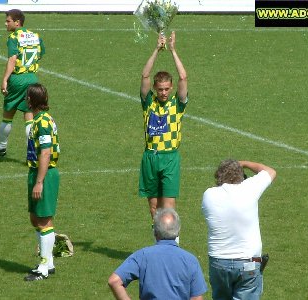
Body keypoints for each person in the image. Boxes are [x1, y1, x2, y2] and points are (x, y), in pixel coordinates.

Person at [201, 160, 277, 300]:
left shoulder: (209, 195)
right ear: (240, 176)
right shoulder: (249, 189)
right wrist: (244, 163)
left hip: (219, 262)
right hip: (248, 262)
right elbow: (270, 171)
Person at [139, 31, 188, 221]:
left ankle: (173, 245)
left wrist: (173, 50)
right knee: (153, 208)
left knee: (168, 210)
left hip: (169, 159)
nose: (164, 93)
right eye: (160, 89)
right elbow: (145, 75)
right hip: (150, 157)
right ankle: (158, 245)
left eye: (167, 89)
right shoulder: (148, 103)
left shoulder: (177, 103)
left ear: (171, 87)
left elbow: (183, 78)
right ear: (155, 89)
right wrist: (157, 50)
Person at [108, 208, 207, 300]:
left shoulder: (142, 256)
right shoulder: (190, 260)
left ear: (155, 232)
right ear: (178, 232)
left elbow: (114, 281)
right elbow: (196, 297)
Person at [0, 9, 45, 157]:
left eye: (8, 21)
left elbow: (12, 59)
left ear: (17, 22)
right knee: (29, 117)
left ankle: (1, 147)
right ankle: (31, 154)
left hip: (17, 79)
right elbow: (41, 53)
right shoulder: (35, 36)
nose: (5, 23)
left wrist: (5, 80)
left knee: (7, 115)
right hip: (32, 79)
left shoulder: (14, 37)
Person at [24, 83, 60, 281]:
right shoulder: (38, 119)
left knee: (44, 220)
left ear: (32, 100)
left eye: (27, 97)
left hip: (44, 174)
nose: (25, 100)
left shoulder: (43, 122)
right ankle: (49, 261)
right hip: (36, 172)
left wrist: (40, 182)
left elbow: (45, 153)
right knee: (35, 218)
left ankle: (44, 266)